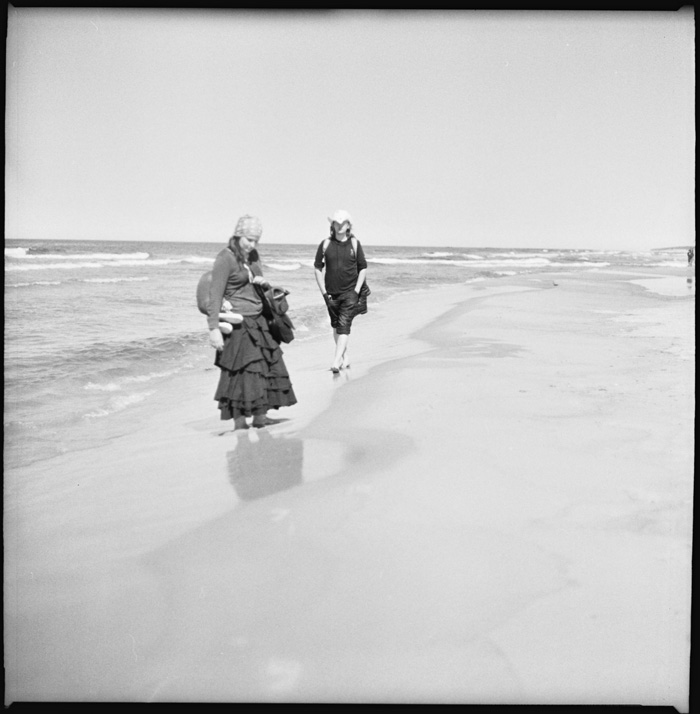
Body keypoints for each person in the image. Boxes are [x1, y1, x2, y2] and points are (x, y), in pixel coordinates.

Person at [207, 215, 297, 430]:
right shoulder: (225, 258)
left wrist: (264, 284)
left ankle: (260, 418)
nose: (252, 245)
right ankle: (239, 423)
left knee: (265, 367)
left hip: (259, 319)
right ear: (238, 235)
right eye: (249, 239)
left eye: (256, 240)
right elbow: (215, 295)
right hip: (238, 323)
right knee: (241, 372)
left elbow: (259, 288)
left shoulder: (253, 256)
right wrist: (213, 329)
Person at [314, 209, 368, 373]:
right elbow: (317, 268)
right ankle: (345, 357)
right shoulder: (325, 244)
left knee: (344, 326)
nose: (339, 226)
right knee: (336, 327)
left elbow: (363, 267)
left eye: (343, 223)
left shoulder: (354, 244)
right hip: (331, 293)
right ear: (332, 225)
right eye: (336, 223)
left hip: (350, 292)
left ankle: (336, 362)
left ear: (348, 225)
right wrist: (324, 292)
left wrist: (356, 291)